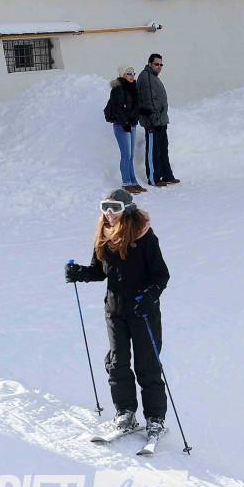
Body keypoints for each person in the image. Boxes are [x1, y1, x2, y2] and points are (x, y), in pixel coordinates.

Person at [64, 189, 170, 441]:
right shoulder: (104, 236)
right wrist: (79, 273)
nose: (109, 213)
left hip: (142, 312)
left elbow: (161, 275)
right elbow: (99, 271)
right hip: (115, 312)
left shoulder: (145, 237)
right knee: (117, 362)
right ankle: (125, 413)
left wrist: (150, 296)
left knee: (147, 364)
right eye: (105, 207)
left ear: (128, 209)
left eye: (115, 207)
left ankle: (155, 419)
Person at [137, 53, 179, 188]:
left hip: (161, 121)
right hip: (153, 122)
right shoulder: (147, 77)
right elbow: (149, 100)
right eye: (156, 64)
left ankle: (167, 175)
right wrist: (155, 119)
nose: (159, 66)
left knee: (162, 150)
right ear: (150, 64)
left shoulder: (153, 77)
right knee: (153, 151)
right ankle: (154, 178)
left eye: (161, 64)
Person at [107, 66, 146, 195]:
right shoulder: (118, 89)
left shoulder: (133, 88)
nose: (132, 75)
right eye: (129, 73)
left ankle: (133, 182)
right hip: (121, 126)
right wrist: (125, 123)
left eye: (133, 73)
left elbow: (134, 107)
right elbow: (118, 108)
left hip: (132, 125)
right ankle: (126, 183)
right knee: (126, 155)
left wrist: (144, 112)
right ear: (122, 74)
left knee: (131, 156)